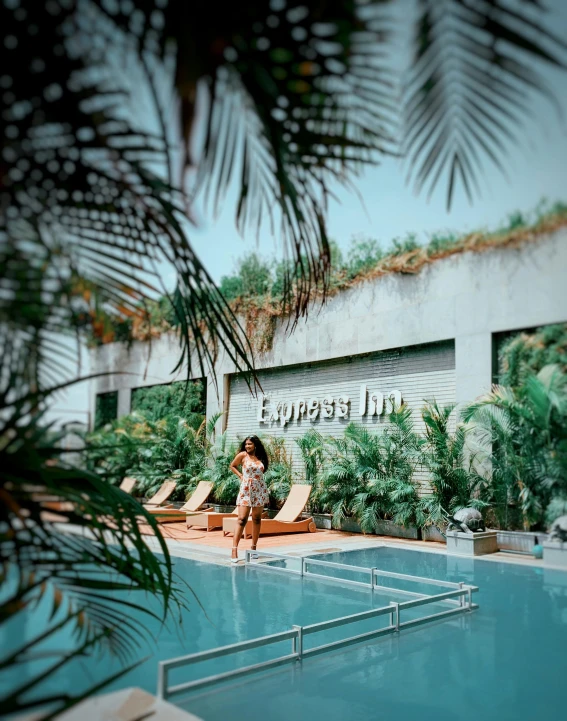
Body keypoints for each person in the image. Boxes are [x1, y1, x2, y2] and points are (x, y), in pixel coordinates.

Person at [229, 435, 269, 563]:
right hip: (246, 489)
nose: (247, 446)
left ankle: (253, 548)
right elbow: (232, 465)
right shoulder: (242, 455)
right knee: (242, 519)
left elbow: (262, 471)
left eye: (250, 444)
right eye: (246, 444)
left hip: (259, 489)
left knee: (257, 519)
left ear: (255, 445)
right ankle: (234, 549)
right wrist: (241, 475)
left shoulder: (261, 457)